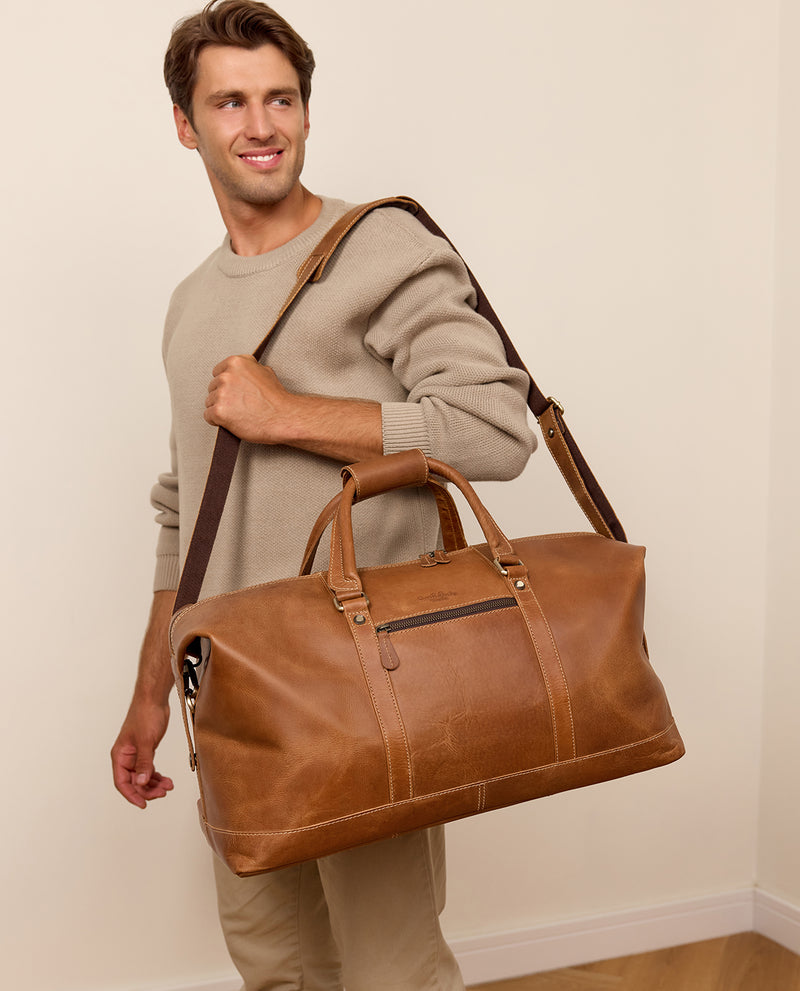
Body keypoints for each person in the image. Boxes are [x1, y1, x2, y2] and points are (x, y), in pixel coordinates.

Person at [110, 2, 536, 989]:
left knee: (392, 966)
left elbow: (494, 429)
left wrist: (289, 413)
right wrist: (147, 693)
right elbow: (184, 511)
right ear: (185, 124)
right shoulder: (189, 303)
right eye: (230, 102)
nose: (260, 124)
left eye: (281, 98)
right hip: (230, 691)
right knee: (275, 962)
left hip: (365, 683)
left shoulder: (379, 248)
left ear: (306, 111)